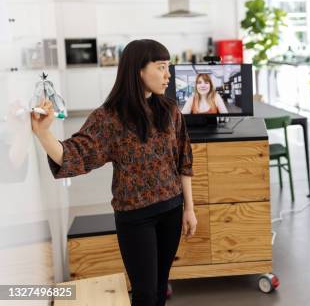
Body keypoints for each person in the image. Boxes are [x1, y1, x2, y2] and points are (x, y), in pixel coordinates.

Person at [31, 39, 197, 306]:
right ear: (138, 70)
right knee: (144, 293)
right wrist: (43, 133)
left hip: (172, 210)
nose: (168, 75)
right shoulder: (109, 118)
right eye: (161, 67)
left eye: (169, 67)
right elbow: (74, 154)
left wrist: (189, 208)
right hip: (135, 218)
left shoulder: (169, 111)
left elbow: (183, 160)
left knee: (160, 285)